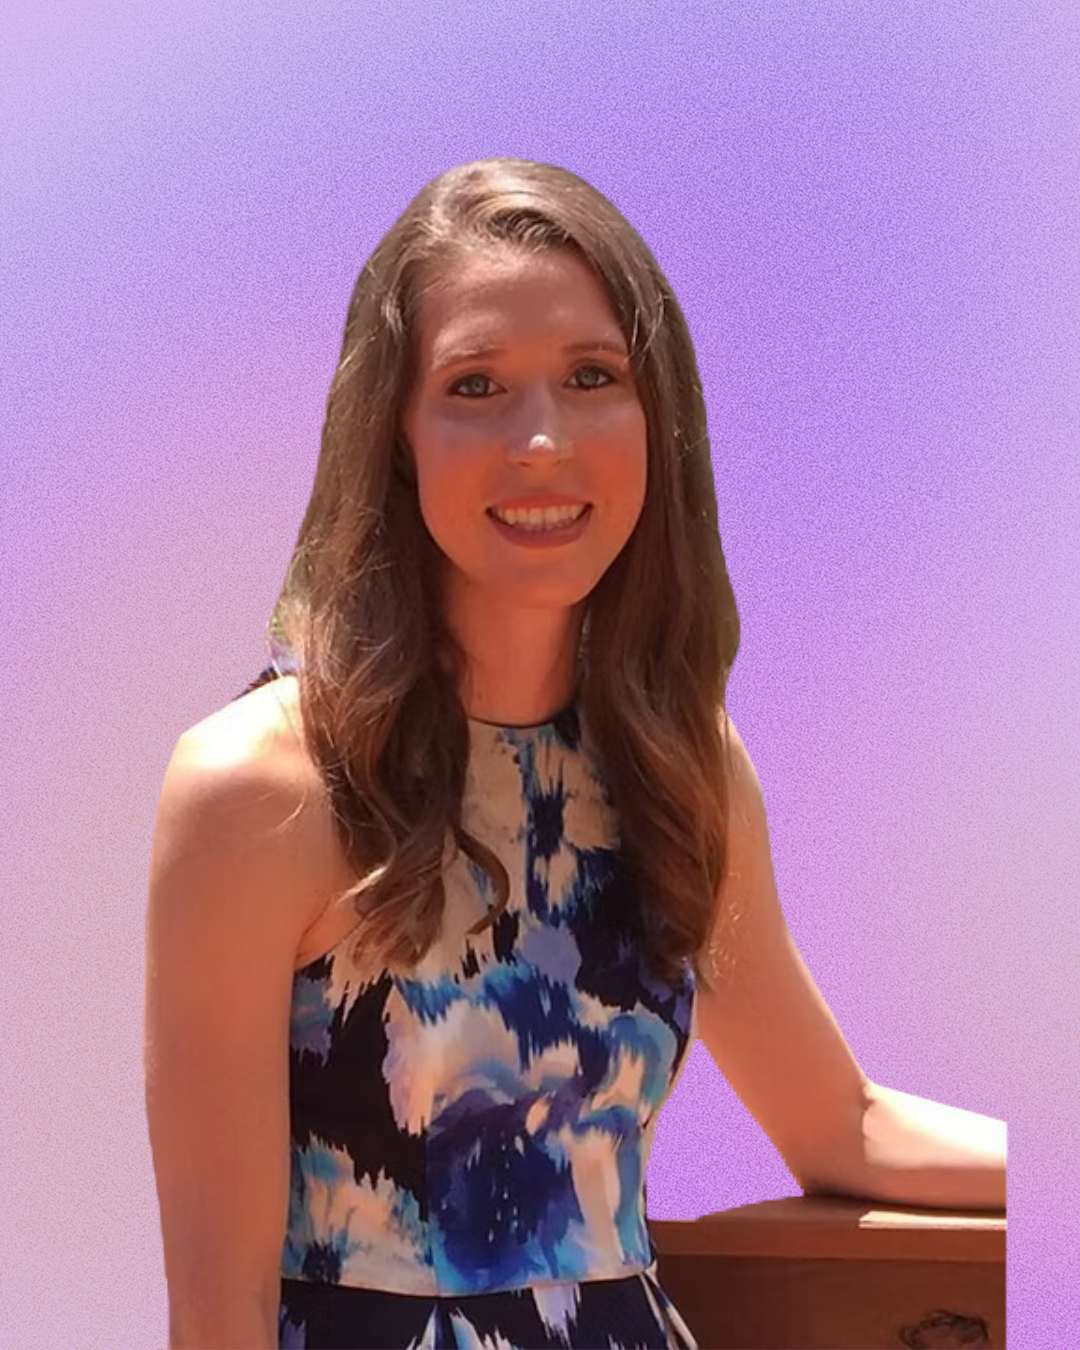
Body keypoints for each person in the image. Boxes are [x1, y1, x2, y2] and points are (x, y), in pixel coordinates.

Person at [144, 157, 1005, 1350]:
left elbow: (842, 1126)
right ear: (395, 437)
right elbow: (218, 1310)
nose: (542, 439)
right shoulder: (260, 789)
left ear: (658, 420)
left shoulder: (679, 762)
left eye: (594, 377)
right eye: (476, 385)